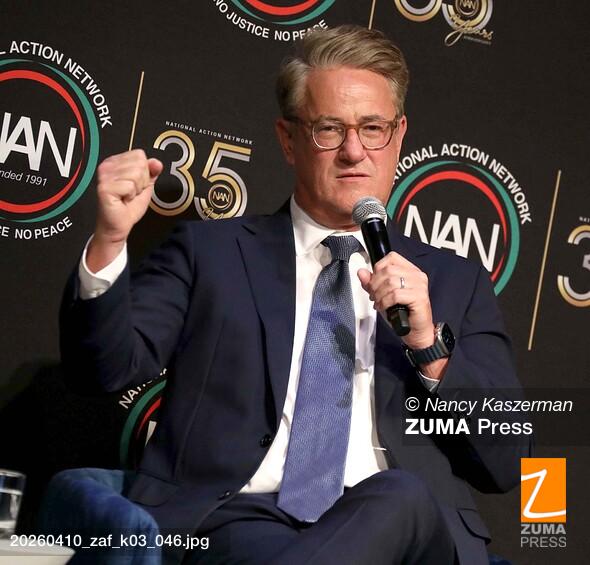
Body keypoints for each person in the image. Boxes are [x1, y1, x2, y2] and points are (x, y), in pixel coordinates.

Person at [60, 25, 531, 564]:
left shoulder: (453, 281)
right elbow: (102, 371)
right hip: (245, 522)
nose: (354, 151)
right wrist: (110, 240)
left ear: (399, 135)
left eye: (372, 128)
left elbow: (508, 463)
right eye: (329, 129)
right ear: (288, 140)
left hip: (409, 538)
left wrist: (429, 347)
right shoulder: (210, 254)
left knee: (400, 496)